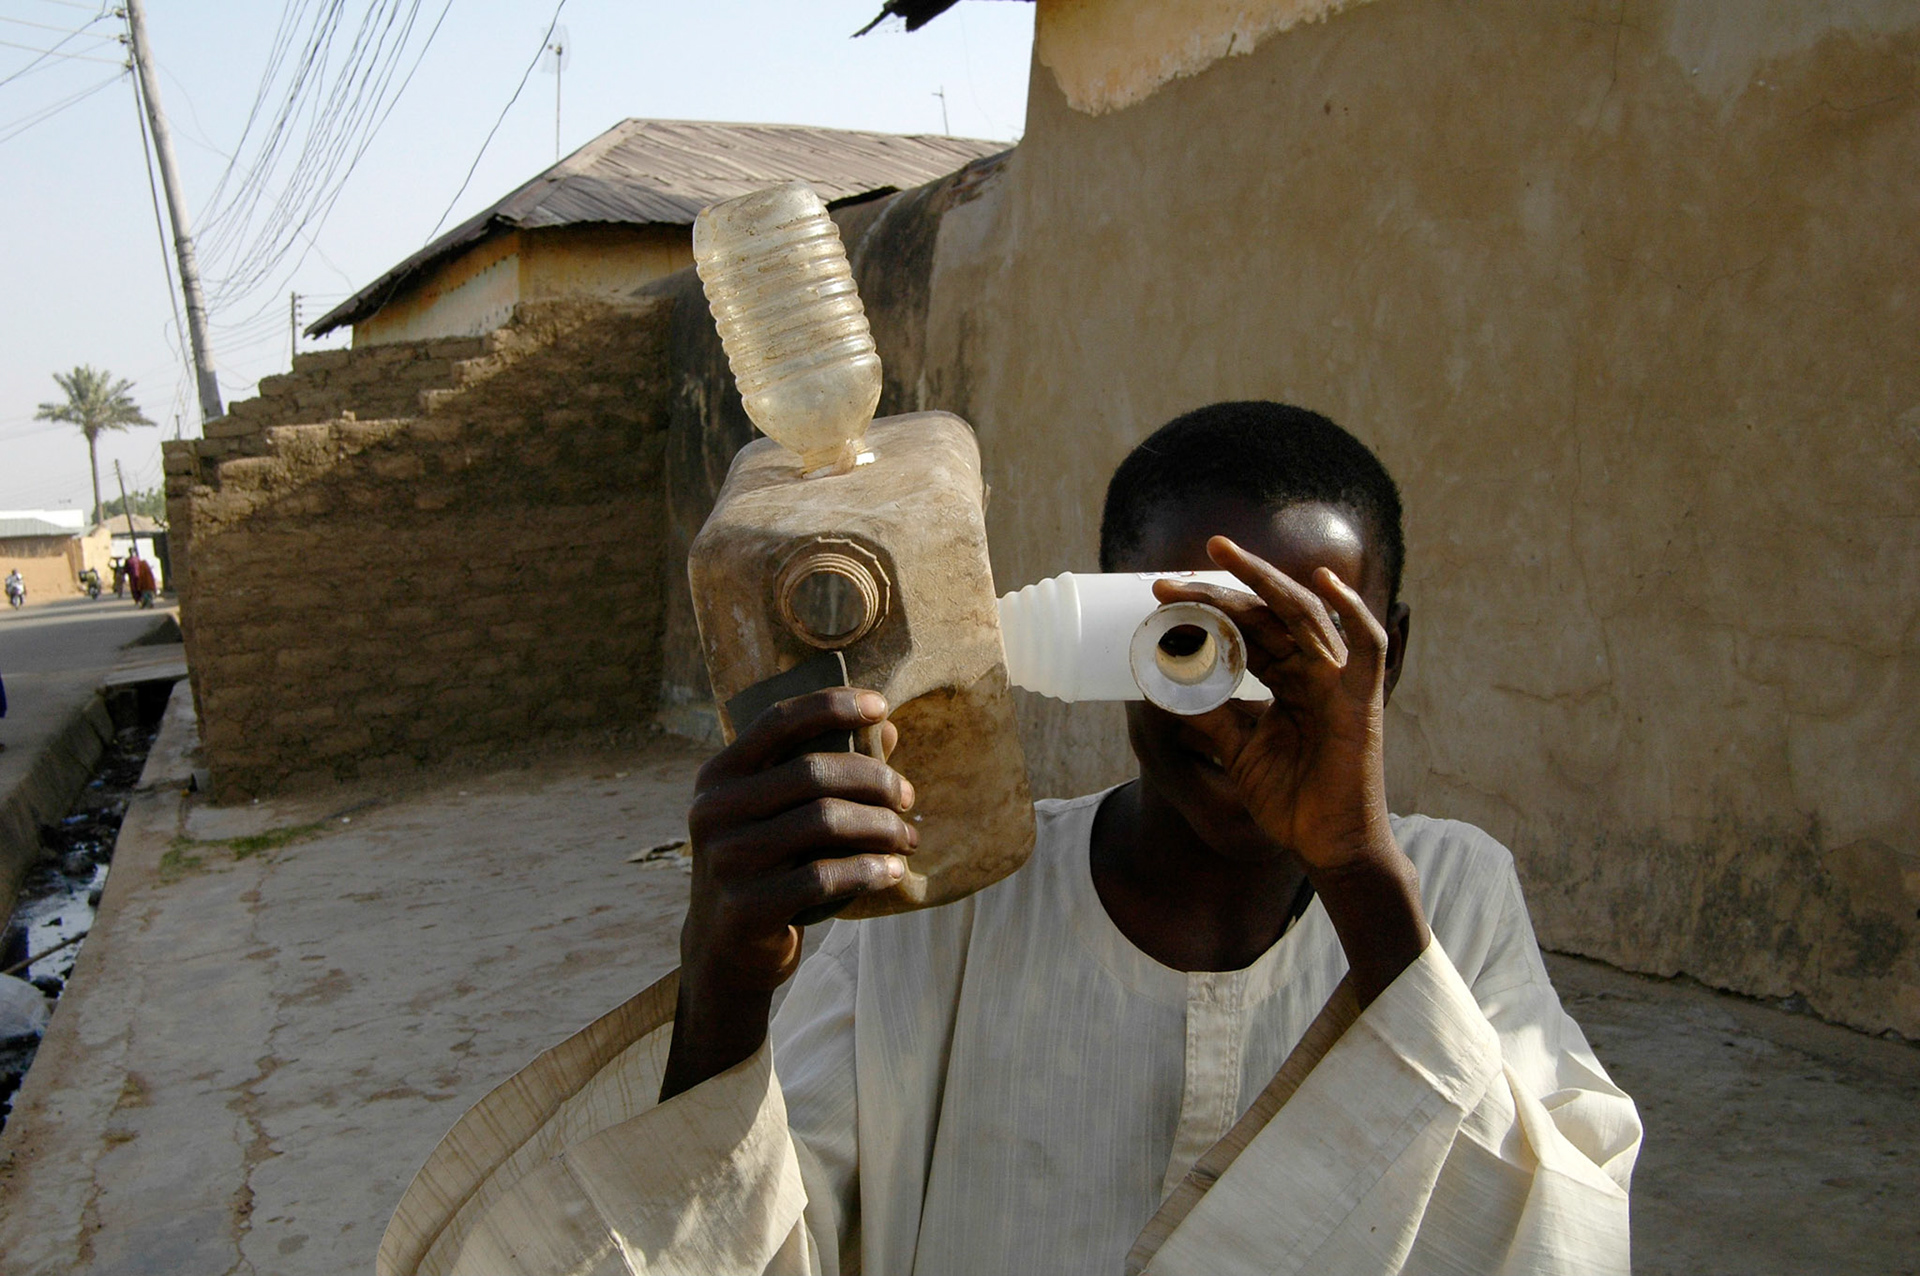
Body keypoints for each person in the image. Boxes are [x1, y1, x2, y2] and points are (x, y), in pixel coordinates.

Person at [387, 403, 1640, 1275]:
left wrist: (1358, 871)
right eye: (1193, 645)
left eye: (1304, 648)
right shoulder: (953, 891)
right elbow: (769, 1230)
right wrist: (724, 970)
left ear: (1391, 655)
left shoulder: (1447, 892)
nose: (1246, 702)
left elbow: (1564, 1225)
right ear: (1109, 644)